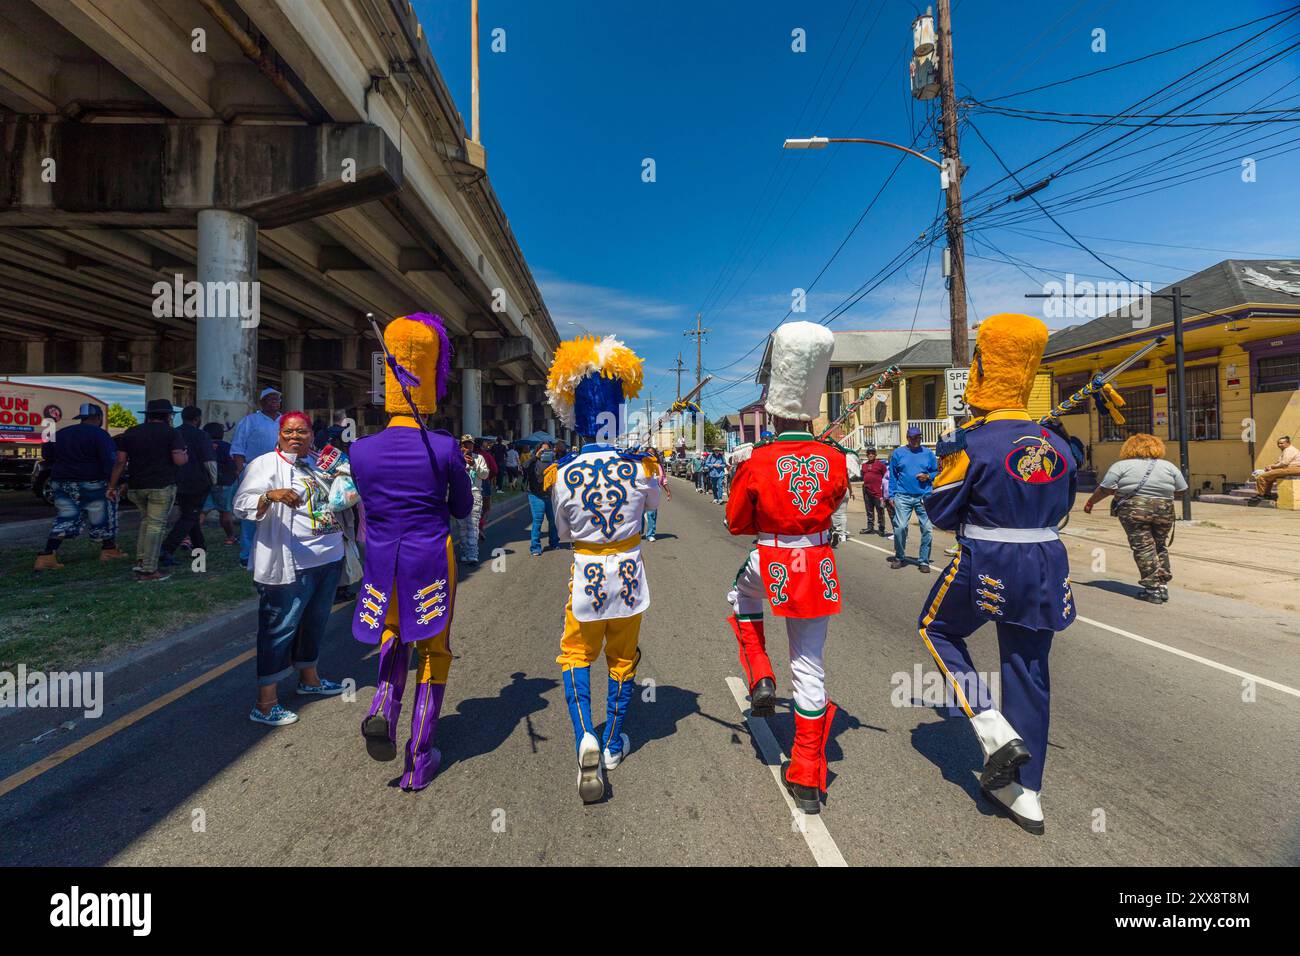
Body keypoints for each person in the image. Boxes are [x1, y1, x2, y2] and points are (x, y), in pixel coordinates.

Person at [916, 313, 1077, 835]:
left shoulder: (975, 440)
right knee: (1028, 669)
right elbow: (1064, 505)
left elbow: (940, 511)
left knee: (936, 629)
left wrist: (947, 464)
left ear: (986, 369)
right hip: (1047, 561)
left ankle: (989, 726)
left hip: (989, 558)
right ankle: (1026, 792)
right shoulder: (1055, 442)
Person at [725, 322, 848, 815]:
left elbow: (736, 522)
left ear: (772, 412)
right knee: (810, 665)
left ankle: (758, 674)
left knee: (740, 597)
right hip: (815, 562)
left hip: (771, 557)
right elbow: (835, 498)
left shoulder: (757, 459)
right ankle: (805, 774)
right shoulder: (834, 459)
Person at [348, 313, 473, 790]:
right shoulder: (442, 448)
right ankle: (419, 756)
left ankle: (382, 706)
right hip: (430, 555)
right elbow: (461, 508)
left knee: (394, 633)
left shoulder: (360, 450)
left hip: (382, 557)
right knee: (434, 649)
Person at [545, 334, 658, 803]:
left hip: (587, 574)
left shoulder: (562, 472)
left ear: (580, 418)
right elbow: (651, 509)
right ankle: (612, 743)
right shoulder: (642, 467)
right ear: (620, 416)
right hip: (630, 577)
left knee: (576, 655)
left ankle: (583, 738)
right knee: (622, 658)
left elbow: (563, 531)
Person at [234, 410, 348, 726]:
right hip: (289, 564)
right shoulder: (265, 464)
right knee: (279, 627)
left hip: (327, 559)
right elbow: (241, 504)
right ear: (279, 435)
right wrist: (270, 495)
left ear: (312, 434)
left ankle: (309, 679)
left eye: (302, 431)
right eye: (288, 431)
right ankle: (266, 703)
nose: (295, 436)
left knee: (314, 622)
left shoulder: (316, 463)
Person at [1083, 433, 1187, 603]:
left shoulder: (1121, 465)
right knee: (1159, 544)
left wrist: (1090, 502)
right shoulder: (1168, 466)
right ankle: (1162, 585)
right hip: (1164, 509)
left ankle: (1152, 589)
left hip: (1134, 510)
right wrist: (1161, 495)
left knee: (1143, 547)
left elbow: (1105, 489)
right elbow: (1182, 490)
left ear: (1129, 448)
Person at [34, 403, 128, 571]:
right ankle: (109, 549)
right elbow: (110, 462)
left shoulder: (61, 433)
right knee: (104, 513)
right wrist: (117, 483)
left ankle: (47, 555)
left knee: (66, 516)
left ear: (81, 418)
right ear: (99, 418)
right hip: (92, 481)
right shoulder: (100, 435)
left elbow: (47, 454)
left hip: (62, 481)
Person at [108, 399, 188, 582]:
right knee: (155, 526)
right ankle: (148, 569)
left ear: (148, 415)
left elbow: (120, 461)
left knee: (146, 522)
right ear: (168, 416)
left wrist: (112, 486)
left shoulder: (131, 433)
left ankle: (142, 559)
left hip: (136, 486)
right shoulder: (171, 433)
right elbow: (179, 461)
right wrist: (185, 455)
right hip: (161, 485)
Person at [231, 387, 284, 568]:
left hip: (281, 473)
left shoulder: (285, 421)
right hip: (254, 473)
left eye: (277, 399)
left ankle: (274, 552)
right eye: (270, 399)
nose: (274, 402)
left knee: (279, 513)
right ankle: (246, 554)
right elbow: (238, 449)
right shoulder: (250, 421)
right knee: (252, 513)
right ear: (261, 402)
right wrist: (241, 472)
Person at [159, 406, 216, 567]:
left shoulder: (174, 433)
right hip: (197, 481)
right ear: (197, 419)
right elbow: (209, 461)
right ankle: (166, 548)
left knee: (190, 514)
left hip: (176, 480)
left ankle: (200, 549)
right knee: (190, 516)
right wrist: (213, 480)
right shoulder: (201, 435)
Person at [888, 425, 938, 573]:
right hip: (902, 495)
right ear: (907, 438)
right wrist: (891, 495)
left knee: (927, 529)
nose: (916, 440)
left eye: (918, 437)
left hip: (924, 496)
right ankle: (900, 557)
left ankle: (924, 561)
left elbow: (937, 471)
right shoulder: (898, 453)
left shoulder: (928, 453)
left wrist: (928, 476)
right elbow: (893, 475)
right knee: (901, 527)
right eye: (913, 437)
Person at [201, 422, 238, 545]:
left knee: (201, 512)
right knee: (225, 512)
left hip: (205, 483)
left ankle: (189, 538)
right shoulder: (228, 447)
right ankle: (230, 537)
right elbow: (233, 466)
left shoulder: (203, 446)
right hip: (224, 484)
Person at [454, 436, 490, 564]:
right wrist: (460, 460)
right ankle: (464, 551)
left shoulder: (479, 458)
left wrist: (474, 465)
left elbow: (485, 475)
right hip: (459, 494)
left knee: (473, 524)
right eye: (465, 444)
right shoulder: (456, 457)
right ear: (461, 446)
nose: (468, 447)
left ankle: (473, 553)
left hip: (475, 492)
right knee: (462, 525)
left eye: (470, 444)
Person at [525, 440, 560, 556]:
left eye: (548, 450)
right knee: (537, 521)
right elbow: (524, 466)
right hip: (535, 496)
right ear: (538, 450)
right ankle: (535, 547)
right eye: (543, 450)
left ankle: (554, 543)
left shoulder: (553, 463)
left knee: (553, 522)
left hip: (550, 496)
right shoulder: (533, 461)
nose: (545, 452)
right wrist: (535, 457)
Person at [1252, 435, 1300, 500]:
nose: (1279, 445)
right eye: (1278, 443)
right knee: (1270, 478)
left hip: (1292, 469)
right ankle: (1266, 494)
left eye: (1281, 443)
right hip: (1289, 469)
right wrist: (1271, 467)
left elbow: (1284, 463)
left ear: (1288, 443)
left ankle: (1261, 495)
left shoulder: (1289, 450)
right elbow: (1279, 463)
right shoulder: (1287, 450)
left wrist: (1272, 466)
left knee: (1262, 477)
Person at [830, 444, 860, 547]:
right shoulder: (844, 467)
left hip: (837, 491)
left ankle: (835, 532)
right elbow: (847, 480)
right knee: (842, 513)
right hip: (845, 490)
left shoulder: (833, 468)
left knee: (834, 513)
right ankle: (842, 534)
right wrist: (851, 491)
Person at [641, 447, 671, 541]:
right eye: (648, 453)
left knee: (652, 513)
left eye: (652, 453)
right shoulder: (641, 464)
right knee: (639, 513)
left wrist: (668, 491)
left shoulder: (659, 465)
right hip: (641, 490)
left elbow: (663, 480)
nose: (651, 454)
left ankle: (650, 534)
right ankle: (638, 532)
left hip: (654, 491)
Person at [860, 446, 888, 537]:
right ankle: (870, 527)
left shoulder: (880, 465)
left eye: (872, 453)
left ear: (875, 454)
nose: (870, 455)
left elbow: (886, 476)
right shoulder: (864, 465)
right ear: (867, 455)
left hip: (878, 492)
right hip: (867, 491)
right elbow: (863, 475)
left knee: (880, 510)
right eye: (869, 453)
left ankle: (881, 528)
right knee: (869, 510)